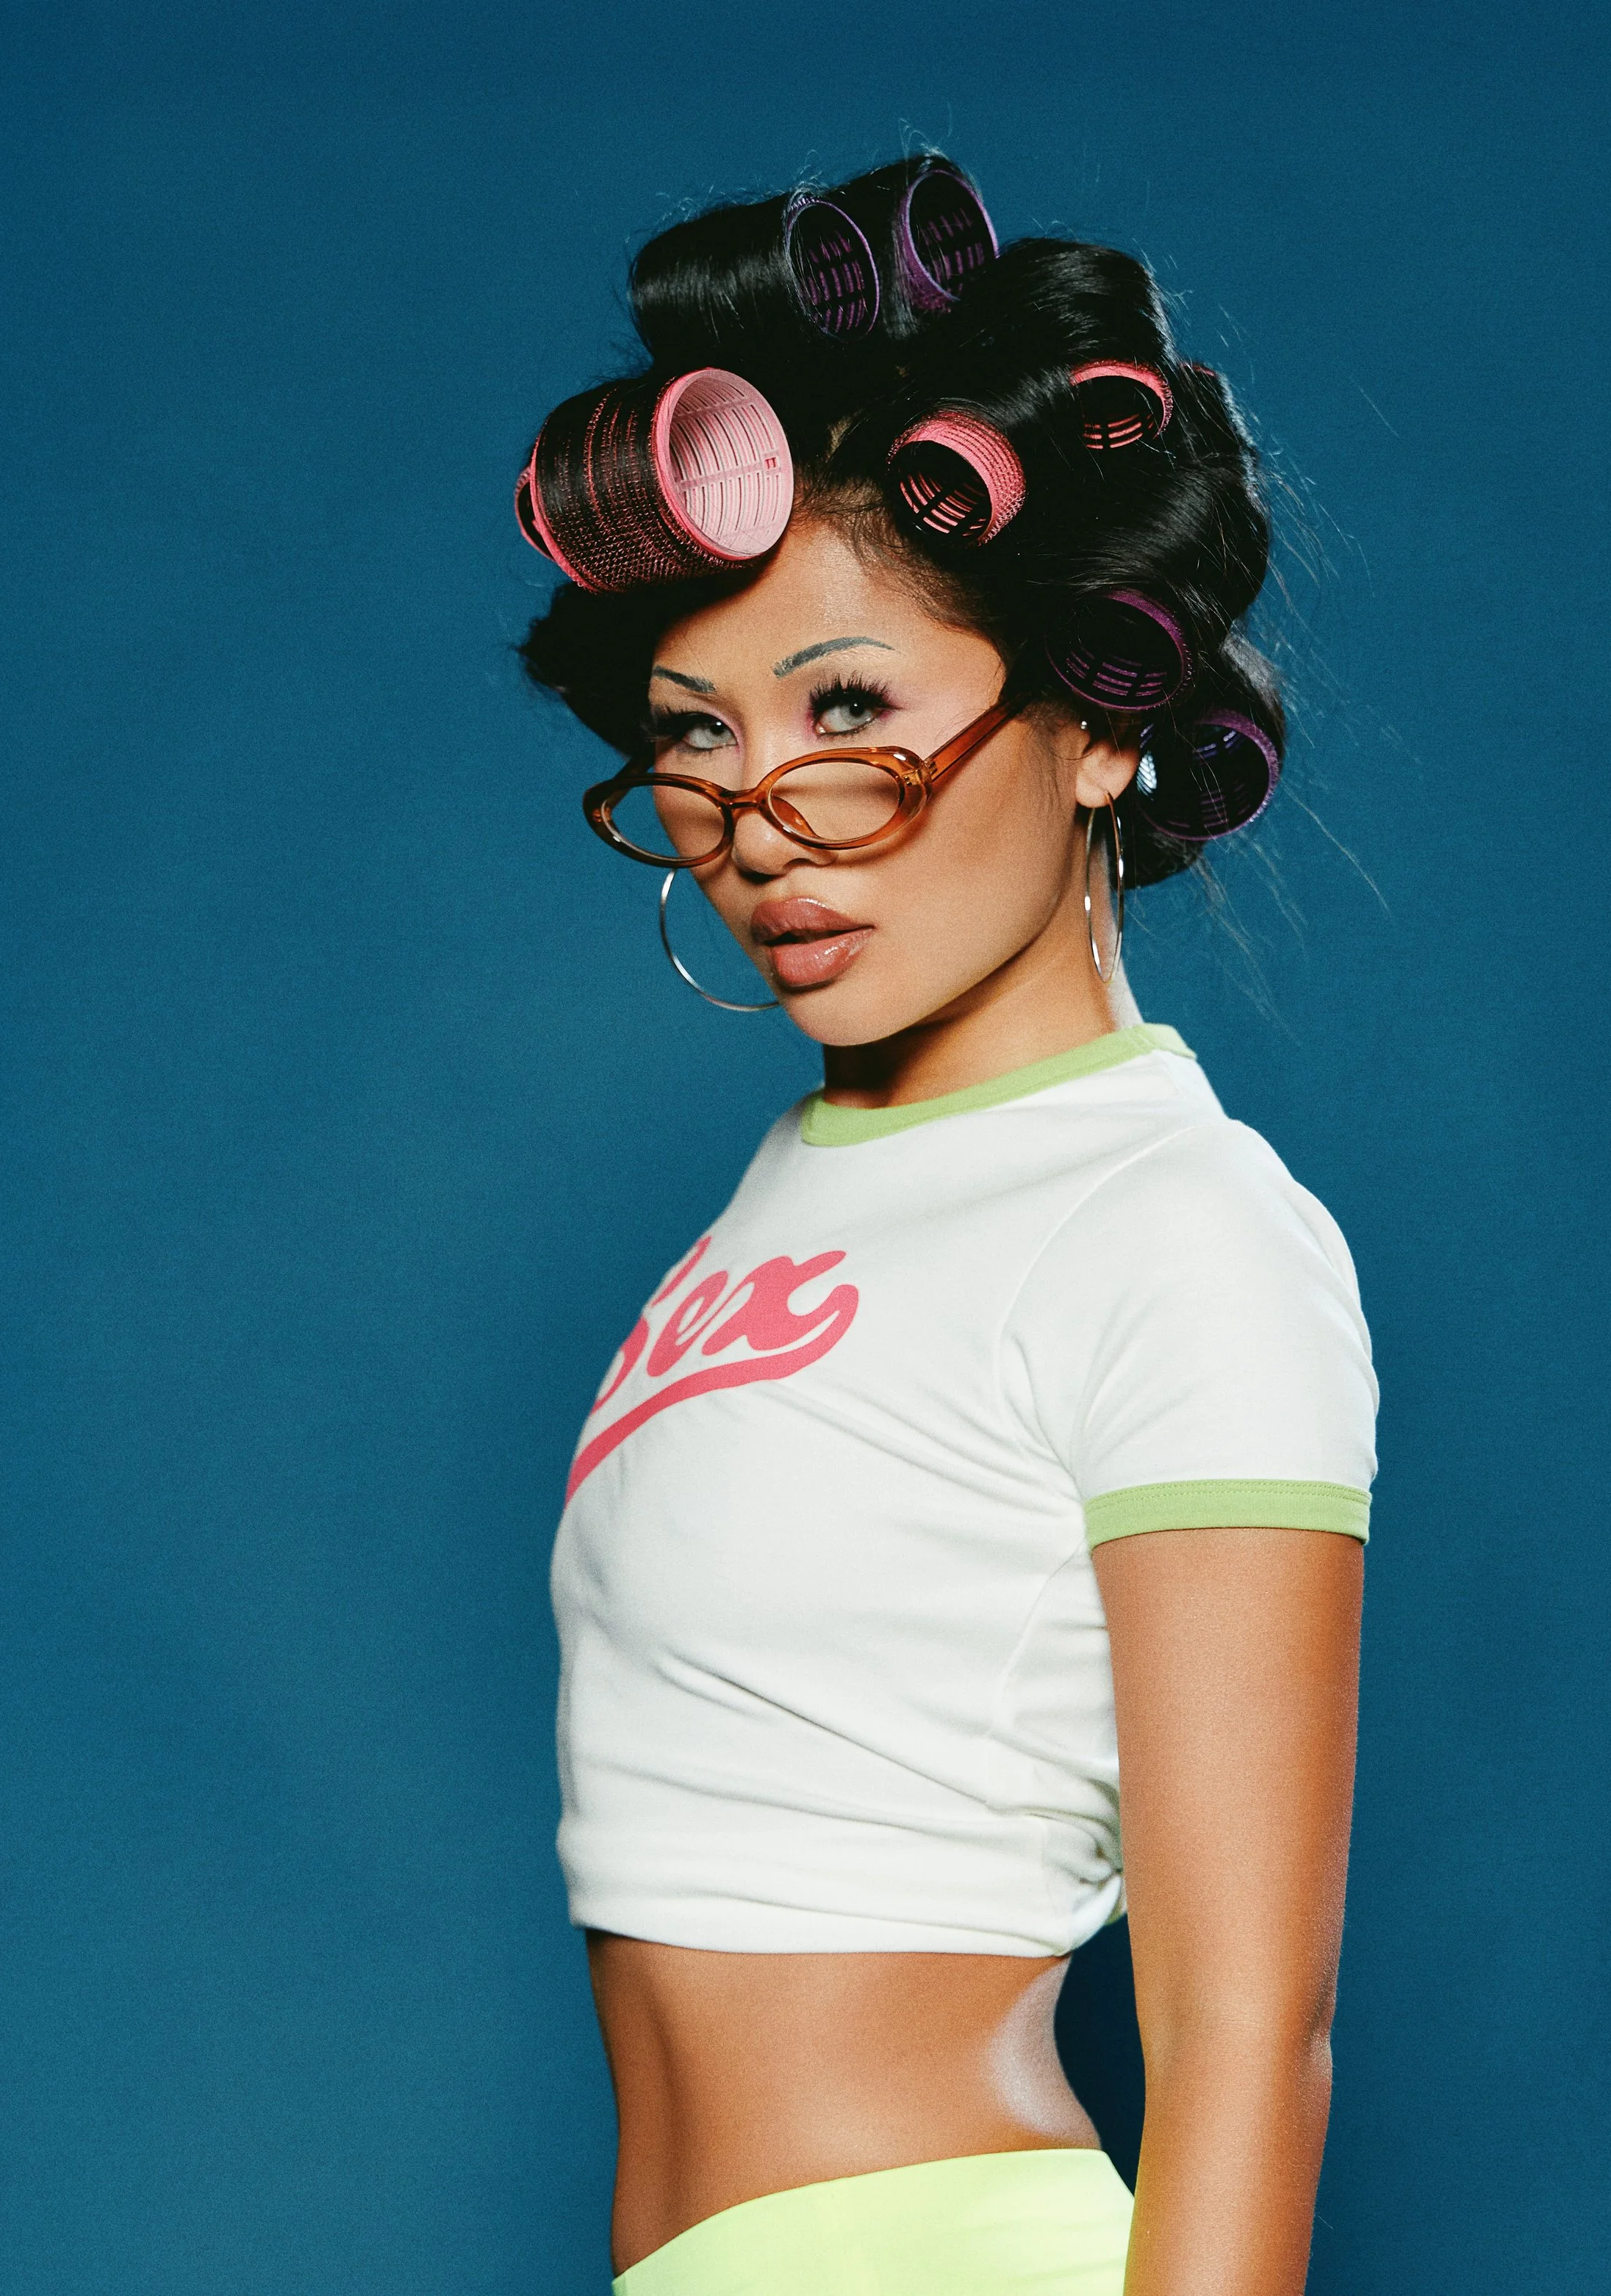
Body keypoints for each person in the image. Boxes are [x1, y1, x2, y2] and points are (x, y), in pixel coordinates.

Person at [515, 155, 1377, 2296]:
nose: (762, 835)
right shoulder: (796, 1189)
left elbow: (1244, 2036)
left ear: (1091, 713)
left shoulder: (1173, 1229)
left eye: (850, 717)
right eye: (696, 741)